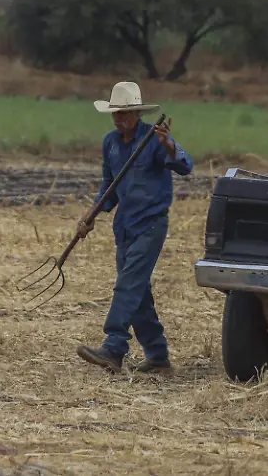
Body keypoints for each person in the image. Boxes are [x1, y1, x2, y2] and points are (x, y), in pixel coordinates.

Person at [75, 81, 194, 375]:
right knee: (138, 294)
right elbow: (109, 187)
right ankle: (158, 357)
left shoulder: (154, 140)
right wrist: (91, 215)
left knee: (128, 285)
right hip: (124, 227)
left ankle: (114, 347)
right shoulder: (111, 143)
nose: (119, 119)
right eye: (116, 114)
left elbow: (185, 166)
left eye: (125, 114)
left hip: (151, 224)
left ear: (138, 114)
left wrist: (169, 145)